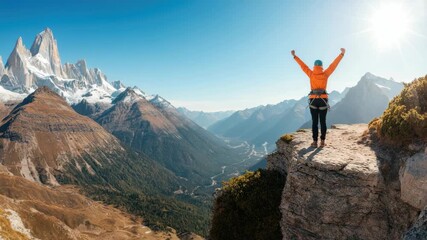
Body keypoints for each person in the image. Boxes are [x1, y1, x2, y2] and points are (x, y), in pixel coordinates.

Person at [291, 48, 345, 147]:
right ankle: (323, 142)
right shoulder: (325, 74)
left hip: (313, 100)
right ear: (321, 66)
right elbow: (333, 65)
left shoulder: (311, 74)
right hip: (323, 100)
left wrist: (295, 56)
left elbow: (303, 66)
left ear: (314, 66)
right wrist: (341, 54)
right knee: (323, 121)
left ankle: (315, 142)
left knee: (314, 122)